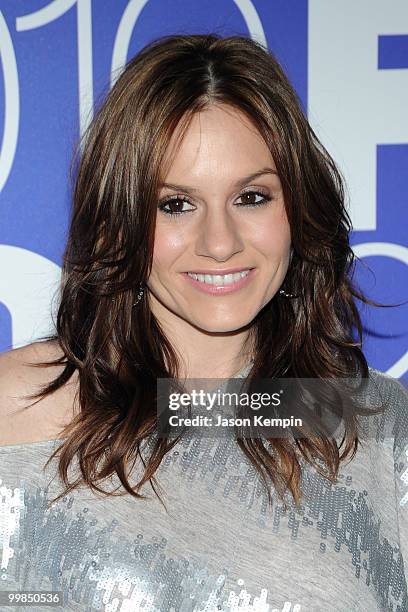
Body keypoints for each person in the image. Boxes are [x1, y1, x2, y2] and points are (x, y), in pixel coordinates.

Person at [0, 32, 407, 612]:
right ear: (120, 223)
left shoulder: (375, 429)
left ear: (297, 209)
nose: (220, 243)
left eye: (252, 197)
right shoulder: (14, 409)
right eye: (176, 204)